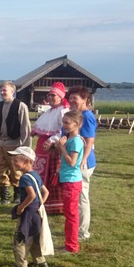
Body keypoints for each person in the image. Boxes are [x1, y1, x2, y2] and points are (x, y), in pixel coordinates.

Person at [0, 80, 31, 205]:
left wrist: (25, 148)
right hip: (0, 144)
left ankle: (18, 196)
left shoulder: (21, 106)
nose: (2, 92)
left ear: (12, 91)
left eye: (4, 90)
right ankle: (4, 198)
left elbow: (25, 128)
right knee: (1, 170)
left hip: (15, 144)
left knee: (16, 171)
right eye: (1, 90)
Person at [7, 146, 50, 267]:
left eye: (16, 160)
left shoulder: (25, 178)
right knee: (35, 236)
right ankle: (40, 261)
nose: (13, 163)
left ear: (26, 161)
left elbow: (31, 195)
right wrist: (39, 204)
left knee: (20, 239)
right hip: (36, 212)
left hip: (27, 213)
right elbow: (46, 192)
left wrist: (21, 207)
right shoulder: (35, 175)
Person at [30, 82, 70, 215]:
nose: (50, 97)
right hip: (41, 148)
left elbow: (63, 131)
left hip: (52, 149)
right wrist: (35, 131)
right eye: (49, 95)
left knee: (50, 175)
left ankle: (54, 206)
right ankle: (39, 201)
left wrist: (51, 140)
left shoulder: (63, 111)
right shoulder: (50, 111)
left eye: (53, 95)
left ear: (60, 97)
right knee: (40, 173)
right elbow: (44, 125)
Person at [66, 86, 97, 241]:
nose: (71, 101)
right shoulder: (76, 115)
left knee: (81, 197)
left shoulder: (87, 116)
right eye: (70, 98)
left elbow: (90, 140)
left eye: (75, 98)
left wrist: (83, 160)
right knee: (76, 197)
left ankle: (82, 232)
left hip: (83, 162)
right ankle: (76, 228)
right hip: (75, 160)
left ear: (85, 99)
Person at [57, 110, 84, 254]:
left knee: (71, 215)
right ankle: (70, 243)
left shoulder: (75, 141)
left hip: (71, 181)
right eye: (63, 122)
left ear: (76, 124)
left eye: (67, 123)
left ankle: (72, 246)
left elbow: (72, 162)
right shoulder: (71, 139)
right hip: (68, 179)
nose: (64, 125)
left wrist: (62, 148)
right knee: (69, 213)